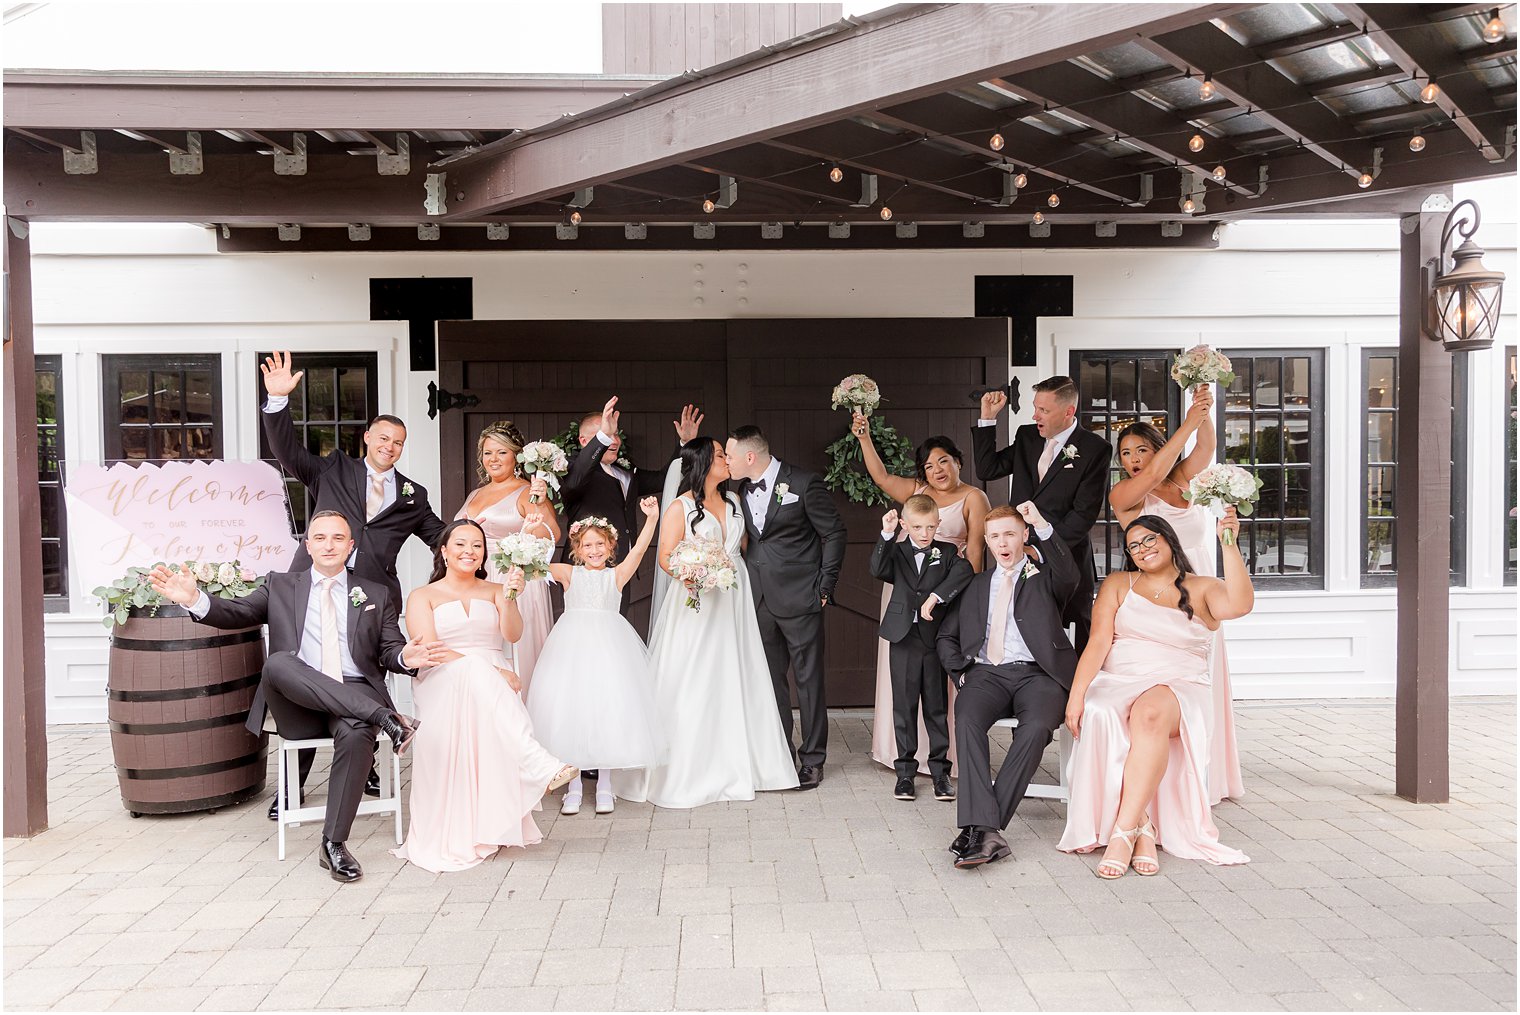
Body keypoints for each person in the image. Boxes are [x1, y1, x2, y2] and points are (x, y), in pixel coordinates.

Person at [147, 511, 433, 884]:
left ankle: (333, 845)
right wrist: (197, 599)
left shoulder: (375, 593)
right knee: (279, 662)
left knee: (357, 733)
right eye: (320, 537)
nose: (328, 545)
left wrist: (404, 658)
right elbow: (239, 612)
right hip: (297, 701)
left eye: (337, 538)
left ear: (351, 545)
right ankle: (386, 719)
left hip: (353, 690)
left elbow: (390, 650)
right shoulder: (280, 585)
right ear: (308, 544)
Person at [258, 350, 447, 819]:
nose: (390, 446)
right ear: (367, 437)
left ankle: (364, 768)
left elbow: (439, 536)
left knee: (363, 677)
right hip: (314, 590)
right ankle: (291, 788)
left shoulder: (412, 495)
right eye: (383, 437)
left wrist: (481, 538)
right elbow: (287, 452)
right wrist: (278, 401)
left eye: (398, 442)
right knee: (304, 681)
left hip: (370, 602)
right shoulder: (333, 469)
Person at [1058, 512, 1254, 876]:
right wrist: (1076, 695)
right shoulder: (1119, 584)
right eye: (1134, 545)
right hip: (1117, 680)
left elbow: (1241, 604)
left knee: (1148, 713)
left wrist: (1228, 541)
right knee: (1099, 710)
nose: (1143, 549)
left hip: (1179, 684)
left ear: (1168, 539)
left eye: (1150, 539)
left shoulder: (1203, 587)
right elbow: (1098, 641)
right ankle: (1143, 828)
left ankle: (1121, 832)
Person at [614, 438, 799, 808]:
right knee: (695, 677)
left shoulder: (733, 502)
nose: (726, 460)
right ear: (701, 463)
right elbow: (666, 557)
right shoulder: (679, 508)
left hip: (735, 596)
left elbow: (745, 547)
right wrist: (696, 573)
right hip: (697, 599)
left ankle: (750, 765)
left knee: (740, 672)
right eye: (719, 455)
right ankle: (691, 770)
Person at [393, 519, 579, 873]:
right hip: (443, 676)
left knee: (489, 682)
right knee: (482, 675)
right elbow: (431, 650)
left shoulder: (495, 589)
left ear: (484, 555)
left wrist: (509, 599)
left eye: (477, 546)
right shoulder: (423, 595)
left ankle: (495, 815)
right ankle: (536, 761)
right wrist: (493, 672)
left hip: (491, 674)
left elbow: (513, 634)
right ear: (444, 552)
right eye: (460, 544)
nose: (469, 551)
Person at [1108, 386, 1244, 805]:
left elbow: (1207, 444)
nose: (1132, 460)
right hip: (1162, 601)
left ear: (1157, 449)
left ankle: (1208, 776)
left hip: (1205, 591)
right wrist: (1185, 420)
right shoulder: (1125, 496)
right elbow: (1151, 477)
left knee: (1206, 678)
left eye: (1140, 450)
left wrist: (1203, 402)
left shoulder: (1184, 480)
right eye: (1125, 453)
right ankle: (1159, 783)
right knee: (1171, 688)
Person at [936, 502, 1077, 869]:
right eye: (995, 535)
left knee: (1036, 728)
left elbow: (1069, 573)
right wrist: (961, 674)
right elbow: (946, 637)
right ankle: (988, 832)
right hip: (986, 674)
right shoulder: (975, 585)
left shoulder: (1045, 577)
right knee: (965, 718)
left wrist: (1042, 522)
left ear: (1024, 536)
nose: (1003, 542)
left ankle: (981, 828)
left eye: (1011, 533)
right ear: (986, 540)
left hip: (1039, 676)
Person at [852, 415, 990, 779]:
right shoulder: (918, 492)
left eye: (943, 460)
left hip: (946, 591)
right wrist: (864, 438)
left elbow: (974, 555)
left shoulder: (975, 498)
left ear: (958, 461)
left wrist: (956, 598)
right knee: (903, 673)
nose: (937, 470)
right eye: (929, 465)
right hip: (902, 590)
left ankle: (945, 759)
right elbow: (881, 477)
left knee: (938, 676)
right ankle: (898, 753)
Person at [725, 425, 847, 790]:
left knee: (809, 681)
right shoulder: (739, 491)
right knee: (771, 682)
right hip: (759, 598)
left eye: (730, 455)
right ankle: (780, 752)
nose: (726, 462)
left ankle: (813, 759)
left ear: (750, 456)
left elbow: (834, 533)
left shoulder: (805, 484)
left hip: (802, 596)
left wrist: (825, 586)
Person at [529, 501, 665, 816]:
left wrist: (652, 518)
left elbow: (641, 550)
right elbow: (530, 564)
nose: (594, 550)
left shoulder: (616, 575)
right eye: (587, 544)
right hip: (570, 649)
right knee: (573, 710)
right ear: (576, 548)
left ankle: (605, 784)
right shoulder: (567, 572)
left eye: (600, 544)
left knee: (606, 709)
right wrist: (531, 525)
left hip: (610, 648)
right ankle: (573, 786)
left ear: (610, 546)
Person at [971, 375, 1110, 650]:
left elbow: (1083, 515)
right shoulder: (1027, 436)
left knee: (1071, 636)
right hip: (1019, 556)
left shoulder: (1096, 449)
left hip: (1065, 558)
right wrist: (987, 419)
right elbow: (988, 469)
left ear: (1068, 411)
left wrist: (1042, 549)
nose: (1035, 415)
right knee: (1020, 630)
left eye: (1043, 410)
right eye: (1035, 407)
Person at [869, 494, 974, 802]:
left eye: (930, 527)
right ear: (905, 525)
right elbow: (877, 568)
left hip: (933, 638)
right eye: (917, 527)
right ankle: (905, 773)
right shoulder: (897, 551)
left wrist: (936, 597)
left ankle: (940, 772)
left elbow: (965, 572)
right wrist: (886, 534)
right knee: (903, 706)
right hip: (902, 637)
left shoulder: (948, 551)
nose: (925, 534)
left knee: (936, 706)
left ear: (938, 524)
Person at [455, 420, 559, 697]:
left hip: (513, 579)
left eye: (501, 452)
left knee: (513, 648)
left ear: (516, 456)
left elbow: (551, 535)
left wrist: (538, 505)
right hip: (476, 577)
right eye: (488, 453)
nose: (494, 459)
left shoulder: (528, 491)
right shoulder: (475, 494)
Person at [562, 394, 703, 568]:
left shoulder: (626, 472)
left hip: (623, 564)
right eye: (606, 435)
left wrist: (685, 444)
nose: (613, 441)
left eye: (615, 434)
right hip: (585, 565)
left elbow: (663, 480)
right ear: (584, 441)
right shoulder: (571, 467)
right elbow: (577, 477)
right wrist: (603, 437)